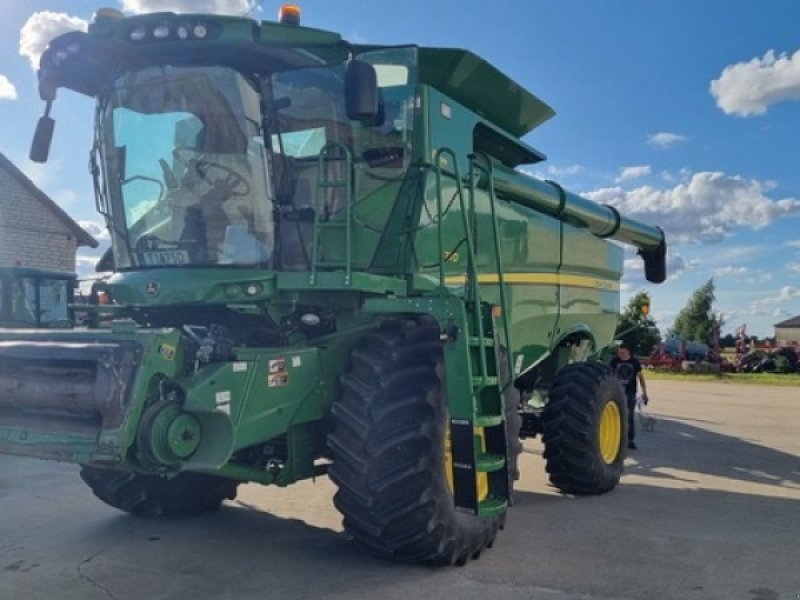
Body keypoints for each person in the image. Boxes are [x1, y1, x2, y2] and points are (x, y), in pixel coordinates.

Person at [609, 343, 648, 450]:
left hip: (630, 392)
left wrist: (645, 393)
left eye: (622, 352)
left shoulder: (634, 362)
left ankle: (630, 440)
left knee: (629, 416)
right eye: (619, 352)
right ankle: (615, 439)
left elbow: (641, 378)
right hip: (616, 393)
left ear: (628, 352)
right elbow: (609, 375)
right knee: (614, 416)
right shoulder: (614, 361)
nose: (620, 354)